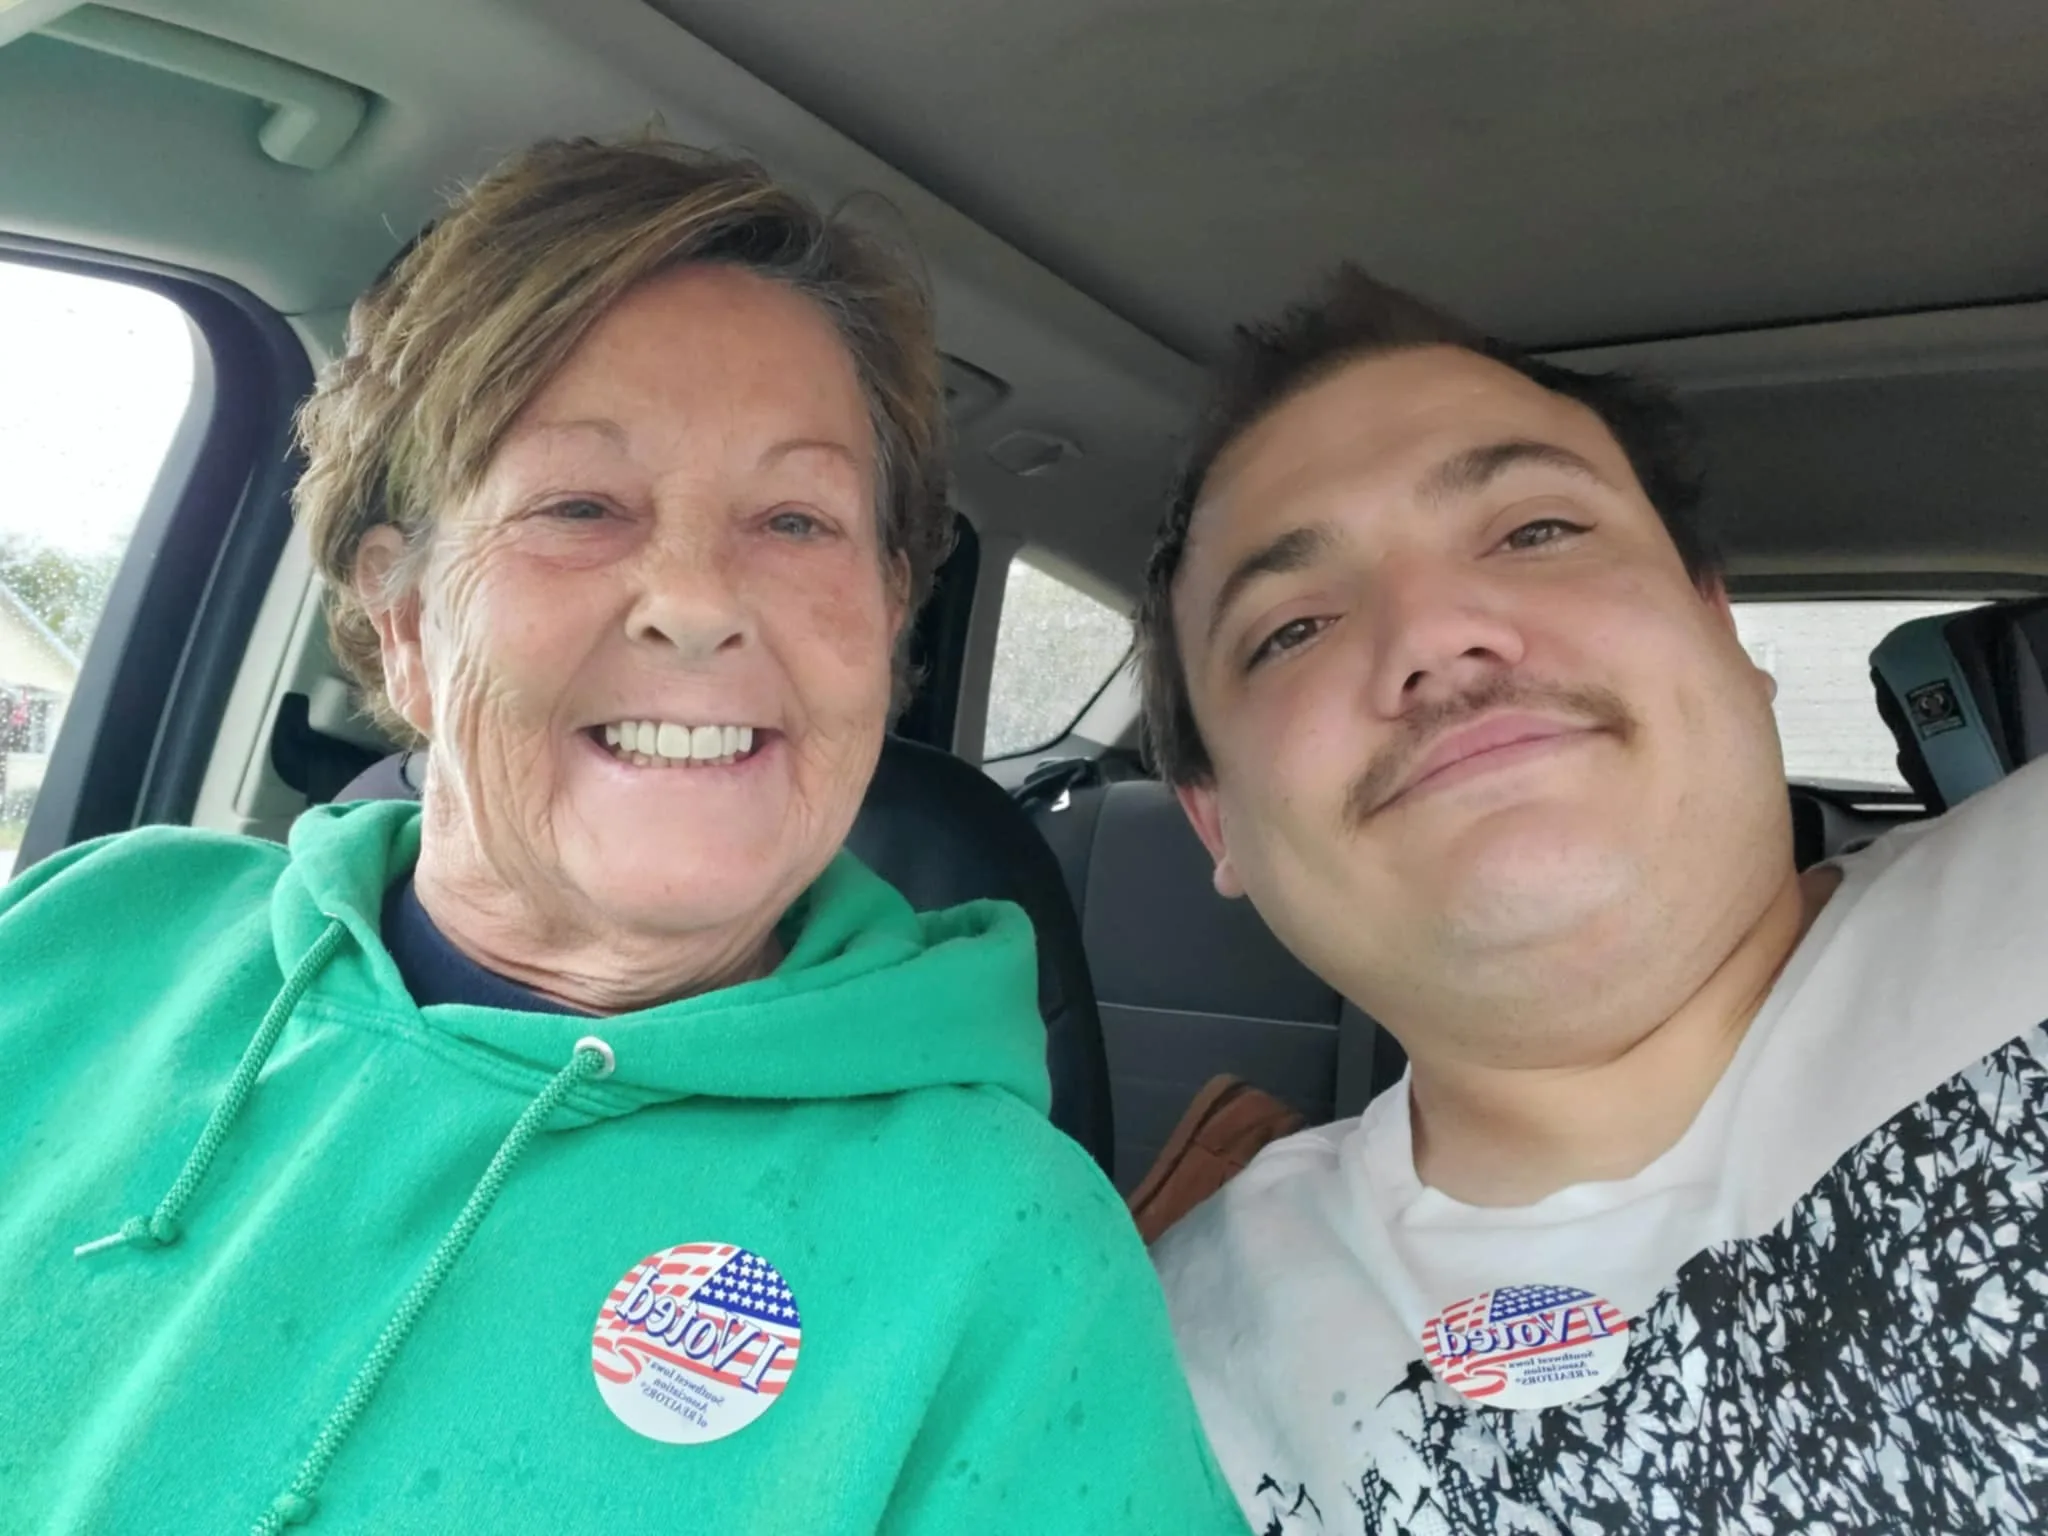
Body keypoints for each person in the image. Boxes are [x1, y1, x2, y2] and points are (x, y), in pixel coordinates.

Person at [0, 137, 1248, 1536]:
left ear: (889, 621)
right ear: (405, 621)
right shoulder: (81, 929)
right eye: (581, 508)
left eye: (794, 518)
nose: (697, 601)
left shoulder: (1006, 1250)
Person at [1136, 265, 2048, 1533]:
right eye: (1291, 628)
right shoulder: (1156, 1363)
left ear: (1717, 624)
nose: (1435, 634)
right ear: (1214, 819)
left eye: (1533, 532)